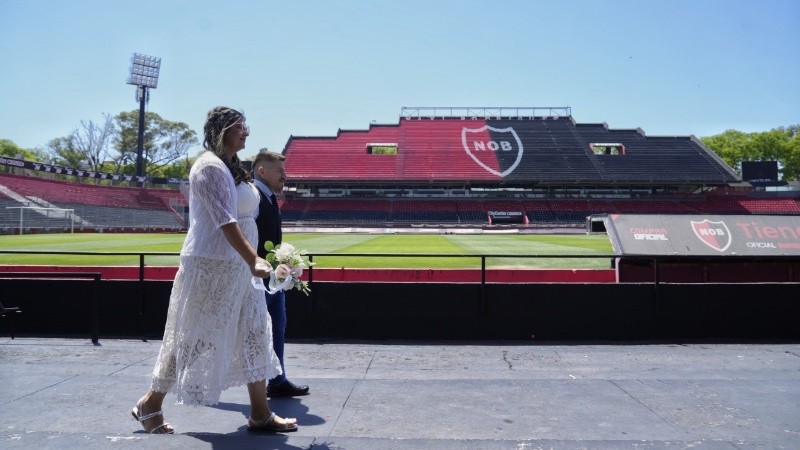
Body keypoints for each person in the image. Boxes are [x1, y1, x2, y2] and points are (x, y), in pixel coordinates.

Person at [131, 107, 297, 434]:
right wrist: (253, 259)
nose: (246, 132)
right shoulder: (208, 167)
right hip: (213, 266)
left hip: (239, 267)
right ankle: (150, 403)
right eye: (240, 127)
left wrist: (261, 258)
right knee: (196, 336)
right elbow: (225, 220)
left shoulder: (232, 167)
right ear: (222, 131)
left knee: (254, 331)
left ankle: (260, 413)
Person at [253, 149, 310, 397]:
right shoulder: (253, 197)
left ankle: (277, 380)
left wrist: (284, 262)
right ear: (262, 171)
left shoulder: (268, 197)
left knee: (277, 326)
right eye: (279, 171)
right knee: (255, 332)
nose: (284, 176)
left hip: (272, 279)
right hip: (257, 279)